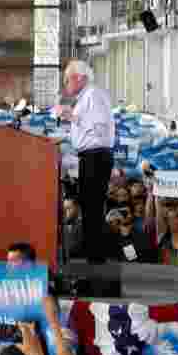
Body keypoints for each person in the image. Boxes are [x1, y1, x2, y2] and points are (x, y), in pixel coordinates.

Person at [60, 59, 116, 264]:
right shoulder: (85, 98)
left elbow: (99, 129)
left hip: (96, 156)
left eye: (67, 80)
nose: (65, 85)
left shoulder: (93, 95)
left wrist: (74, 118)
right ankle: (93, 256)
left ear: (79, 77)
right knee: (88, 206)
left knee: (93, 207)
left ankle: (96, 259)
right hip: (90, 156)